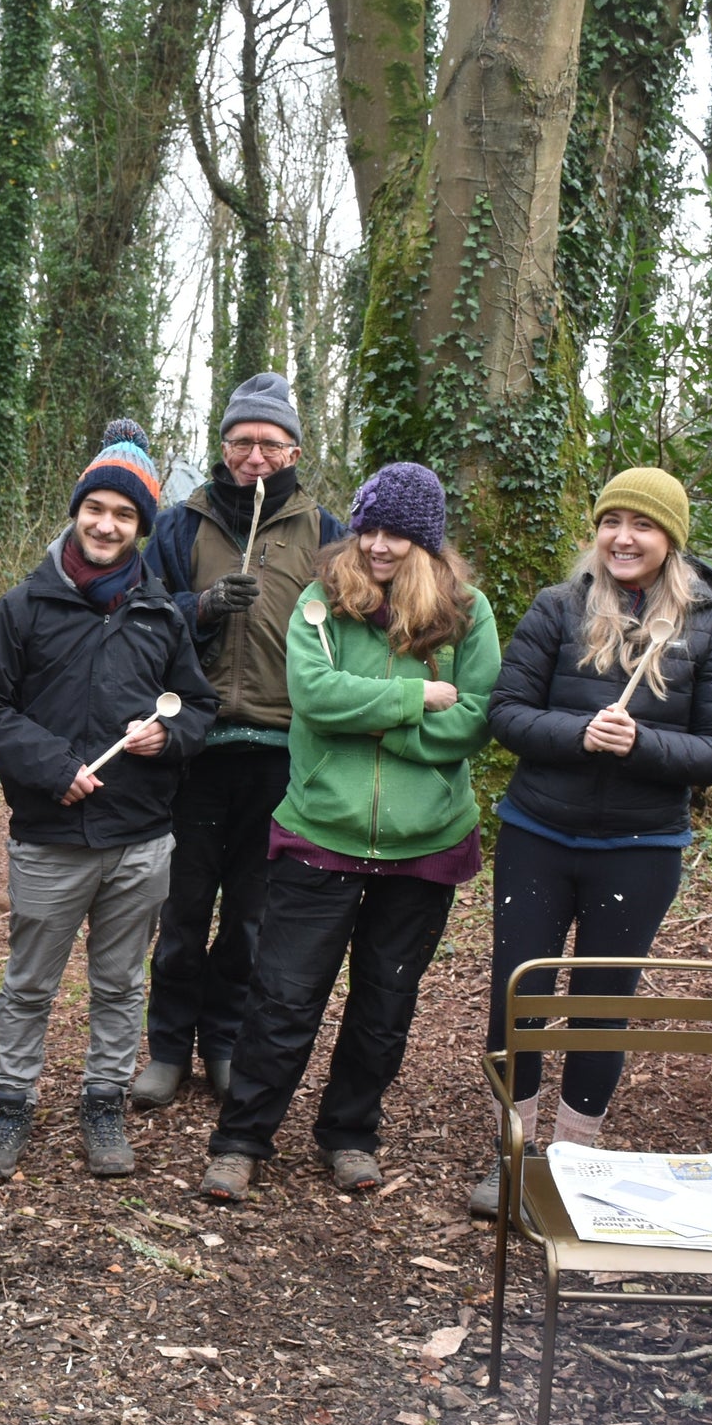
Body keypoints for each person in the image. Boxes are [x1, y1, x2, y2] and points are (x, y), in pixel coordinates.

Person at [199, 462, 500, 1203]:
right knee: (283, 997)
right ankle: (241, 1138)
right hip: (320, 833)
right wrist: (412, 697)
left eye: (395, 531)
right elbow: (312, 695)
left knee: (383, 1005)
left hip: (424, 843)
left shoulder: (467, 612)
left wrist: (370, 724)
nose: (376, 545)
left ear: (424, 541)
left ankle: (349, 1132)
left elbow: (472, 720)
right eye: (367, 527)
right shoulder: (320, 600)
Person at [469, 467, 712, 1217]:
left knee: (601, 1002)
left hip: (640, 845)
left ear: (670, 539)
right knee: (517, 991)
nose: (623, 537)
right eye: (611, 521)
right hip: (537, 832)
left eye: (642, 524)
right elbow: (506, 713)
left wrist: (640, 743)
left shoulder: (711, 628)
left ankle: (575, 1159)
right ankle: (509, 1152)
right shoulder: (557, 607)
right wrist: (579, 732)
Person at [0, 421, 217, 1179]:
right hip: (48, 836)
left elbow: (196, 710)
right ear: (77, 511)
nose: (106, 524)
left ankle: (102, 1103)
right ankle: (10, 1106)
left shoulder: (160, 614)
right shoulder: (24, 607)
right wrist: (51, 766)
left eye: (124, 514)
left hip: (140, 840)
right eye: (95, 508)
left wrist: (163, 741)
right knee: (29, 983)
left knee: (120, 982)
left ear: (141, 527)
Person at [137, 373, 346, 1107]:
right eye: (240, 442)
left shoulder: (325, 532)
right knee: (184, 905)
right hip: (195, 747)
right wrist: (198, 607)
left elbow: (351, 630)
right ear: (222, 448)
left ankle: (223, 1038)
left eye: (269, 442)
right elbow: (142, 615)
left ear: (292, 450)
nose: (254, 455)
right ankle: (167, 1046)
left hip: (283, 748)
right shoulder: (178, 524)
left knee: (251, 914)